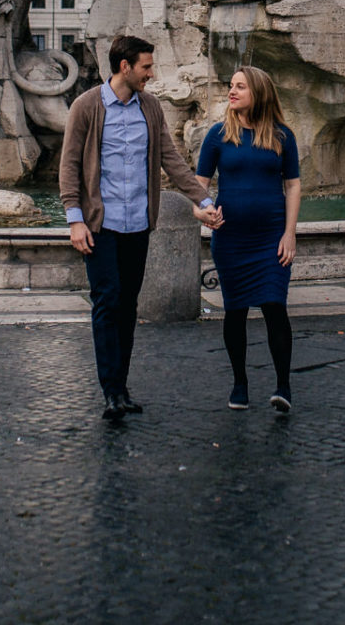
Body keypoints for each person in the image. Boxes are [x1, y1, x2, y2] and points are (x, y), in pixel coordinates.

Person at [61, 34, 214, 422]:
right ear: (124, 66)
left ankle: (122, 387)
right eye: (146, 66)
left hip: (137, 225)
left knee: (128, 306)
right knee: (107, 302)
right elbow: (69, 166)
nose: (151, 73)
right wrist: (75, 220)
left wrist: (203, 200)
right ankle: (110, 389)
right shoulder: (86, 106)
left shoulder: (150, 107)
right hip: (101, 225)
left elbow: (170, 159)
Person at [194, 65, 302, 413]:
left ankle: (283, 386)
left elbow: (293, 185)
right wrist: (201, 212)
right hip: (231, 239)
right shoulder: (217, 135)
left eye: (240, 86)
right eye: (231, 85)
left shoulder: (282, 136)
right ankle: (240, 383)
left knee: (274, 306)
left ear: (258, 91)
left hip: (270, 237)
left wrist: (289, 233)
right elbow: (200, 185)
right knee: (235, 310)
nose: (232, 91)